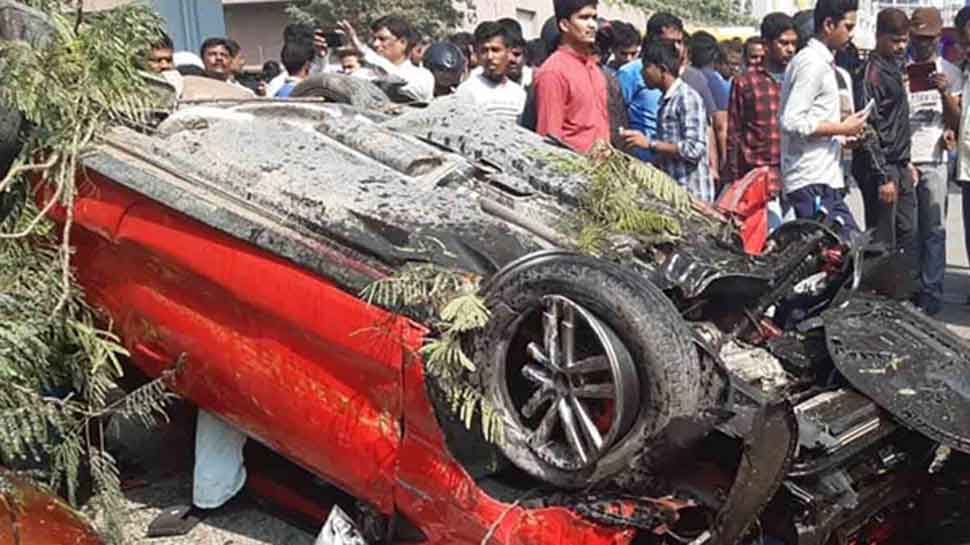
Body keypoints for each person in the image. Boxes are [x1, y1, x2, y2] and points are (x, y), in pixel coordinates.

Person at [779, 0, 866, 231]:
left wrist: (846, 136)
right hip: (810, 179)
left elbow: (815, 120)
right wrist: (842, 128)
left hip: (825, 178)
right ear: (829, 24)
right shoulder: (811, 63)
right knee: (844, 251)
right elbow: (792, 121)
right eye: (847, 27)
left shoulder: (825, 64)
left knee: (842, 256)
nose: (851, 34)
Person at [907, 7, 961, 315]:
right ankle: (911, 290)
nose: (923, 44)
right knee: (909, 232)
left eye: (928, 38)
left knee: (934, 230)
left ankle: (931, 293)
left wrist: (945, 94)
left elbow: (957, 122)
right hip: (906, 160)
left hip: (934, 159)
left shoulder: (950, 73)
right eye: (918, 38)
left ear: (938, 38)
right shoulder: (901, 68)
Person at [852, 9, 915, 256]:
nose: (901, 46)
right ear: (879, 36)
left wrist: (906, 163)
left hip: (899, 164)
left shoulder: (894, 68)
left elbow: (896, 120)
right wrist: (882, 176)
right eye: (895, 40)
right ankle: (877, 292)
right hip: (881, 167)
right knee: (882, 241)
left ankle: (903, 290)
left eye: (904, 40)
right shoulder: (871, 74)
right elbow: (868, 126)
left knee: (907, 233)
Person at [621, 41, 712, 201]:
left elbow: (694, 149)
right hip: (674, 194)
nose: (642, 73)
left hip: (691, 195)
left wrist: (649, 144)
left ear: (662, 69)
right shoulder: (666, 100)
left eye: (646, 67)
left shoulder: (686, 98)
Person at [725, 13, 798, 188]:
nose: (790, 49)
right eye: (783, 43)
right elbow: (734, 132)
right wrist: (734, 178)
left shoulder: (799, 78)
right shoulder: (745, 82)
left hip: (795, 175)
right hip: (759, 177)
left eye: (794, 43)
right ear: (766, 45)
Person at [532, 0, 610, 152]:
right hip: (573, 170)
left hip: (601, 170)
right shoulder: (553, 72)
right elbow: (548, 140)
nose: (593, 25)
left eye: (594, 18)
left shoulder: (594, 69)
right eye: (584, 18)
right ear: (564, 25)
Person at [338, 16, 435, 102]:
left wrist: (364, 50)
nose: (375, 44)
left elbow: (400, 82)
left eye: (382, 39)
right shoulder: (361, 75)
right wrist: (322, 56)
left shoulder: (422, 76)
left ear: (402, 42)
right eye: (374, 39)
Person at [456, 22, 526, 123]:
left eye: (495, 50)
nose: (490, 57)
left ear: (508, 52)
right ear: (477, 54)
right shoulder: (467, 91)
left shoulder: (519, 94)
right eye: (484, 51)